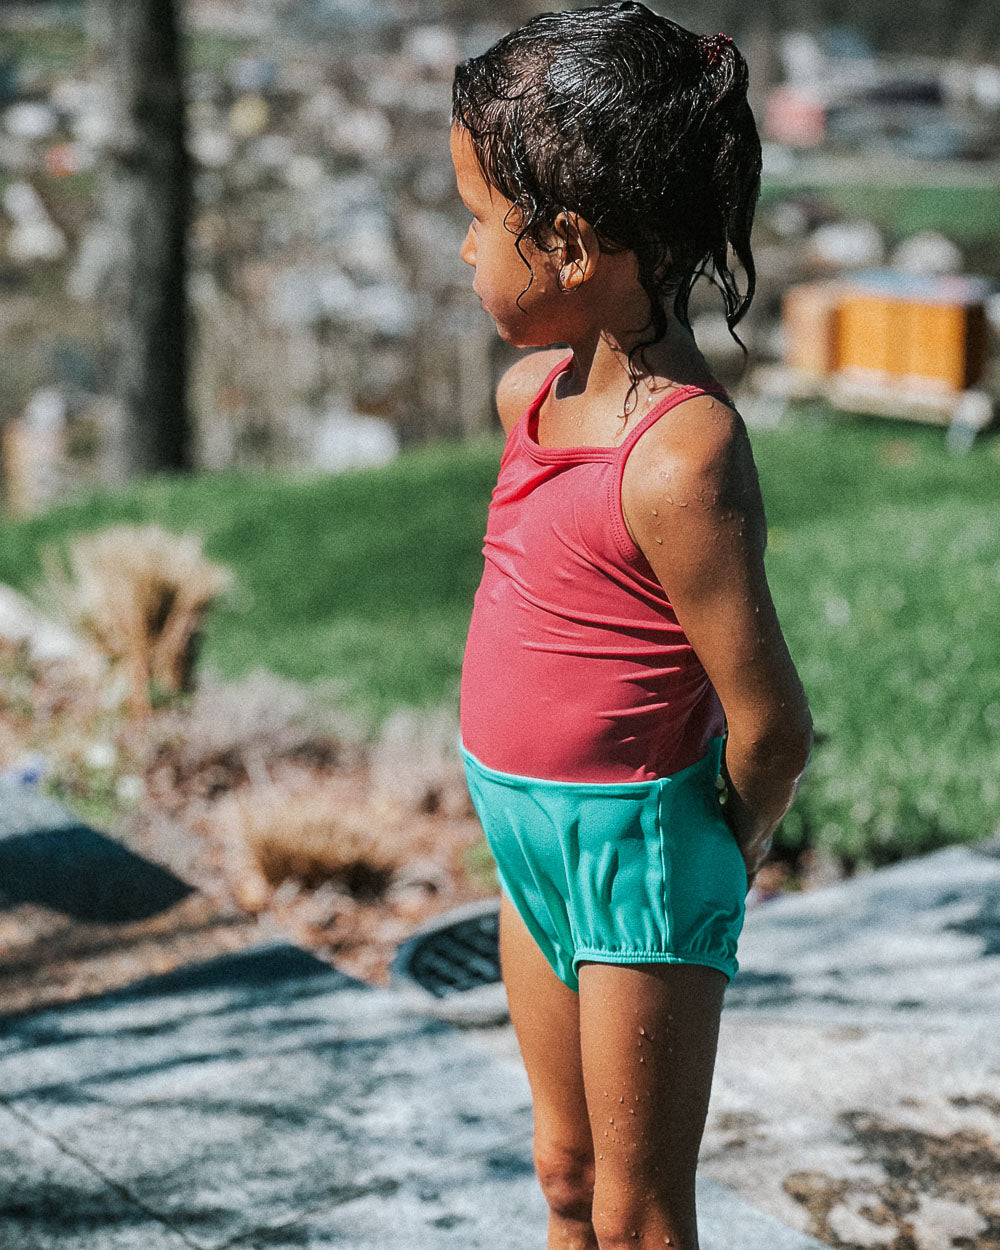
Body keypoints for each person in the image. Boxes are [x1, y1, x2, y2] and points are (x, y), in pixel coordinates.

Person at [451, 5, 813, 1248]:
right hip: (527, 842)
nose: (463, 250)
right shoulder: (527, 397)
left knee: (638, 1209)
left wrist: (722, 850)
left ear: (562, 246)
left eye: (480, 223)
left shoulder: (680, 456)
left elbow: (770, 723)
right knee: (561, 1173)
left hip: (637, 859)